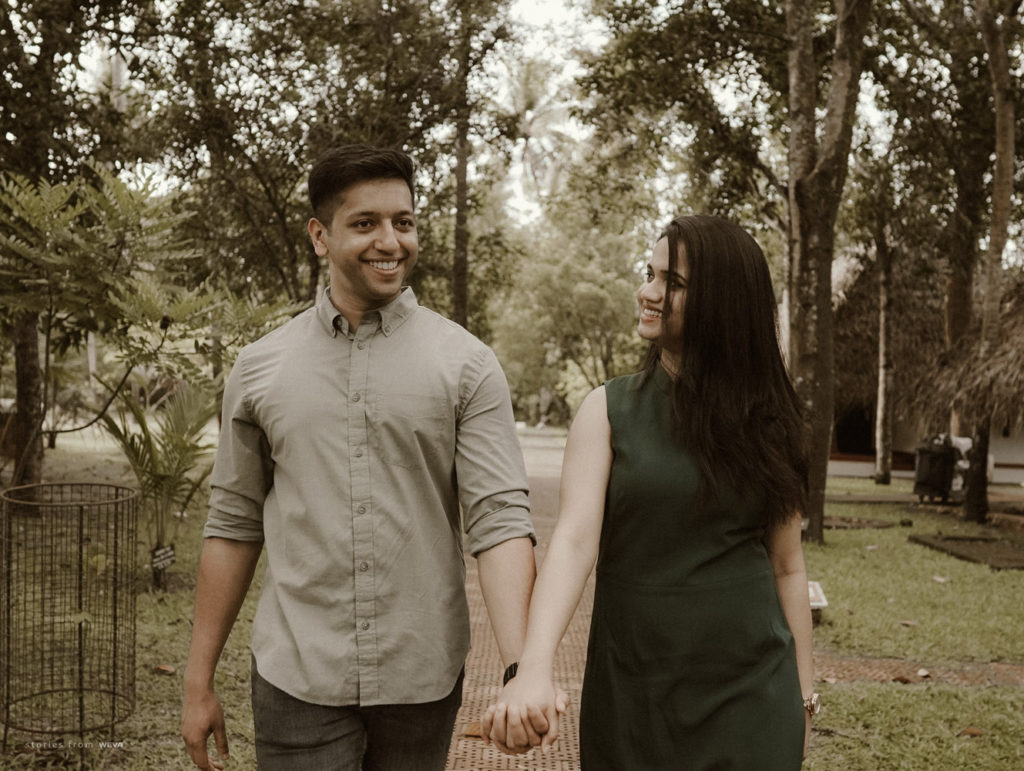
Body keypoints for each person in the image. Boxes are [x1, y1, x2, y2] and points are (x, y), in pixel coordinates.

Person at [181, 145, 537, 771]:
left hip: (421, 674)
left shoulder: (468, 365)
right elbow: (234, 524)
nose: (391, 241)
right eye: (365, 223)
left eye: (403, 221)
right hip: (298, 673)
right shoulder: (260, 369)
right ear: (321, 236)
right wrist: (198, 678)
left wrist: (518, 668)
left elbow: (500, 522)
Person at [482, 214, 817, 768]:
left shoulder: (775, 421)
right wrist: (533, 666)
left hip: (753, 694)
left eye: (673, 282)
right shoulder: (608, 411)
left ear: (726, 301)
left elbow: (787, 566)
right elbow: (572, 542)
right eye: (650, 273)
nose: (648, 291)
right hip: (635, 691)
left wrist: (803, 697)